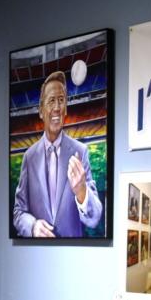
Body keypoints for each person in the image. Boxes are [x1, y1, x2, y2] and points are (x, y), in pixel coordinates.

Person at [12, 70, 103, 237]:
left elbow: (95, 218)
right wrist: (32, 226)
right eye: (51, 101)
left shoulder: (80, 152)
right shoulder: (29, 157)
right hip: (38, 257)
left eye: (61, 101)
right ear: (41, 111)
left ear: (66, 109)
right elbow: (18, 212)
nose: (56, 108)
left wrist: (82, 192)